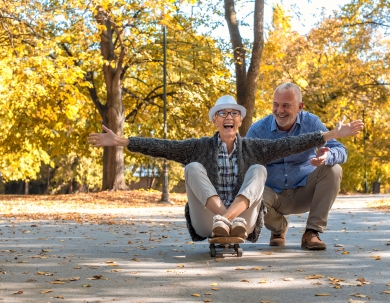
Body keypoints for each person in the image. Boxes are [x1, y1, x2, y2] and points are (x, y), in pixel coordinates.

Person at [88, 95, 363, 244]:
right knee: (193, 167)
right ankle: (223, 218)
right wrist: (121, 141)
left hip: (244, 221)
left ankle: (231, 220)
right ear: (214, 122)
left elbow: (294, 143)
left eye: (233, 113)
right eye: (222, 113)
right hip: (208, 220)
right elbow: (162, 146)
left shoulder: (255, 147)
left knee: (258, 170)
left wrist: (328, 134)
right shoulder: (199, 147)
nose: (228, 117)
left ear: (240, 121)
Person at [246, 82, 352, 250]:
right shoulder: (258, 130)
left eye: (286, 106)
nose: (279, 110)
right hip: (272, 194)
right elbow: (245, 166)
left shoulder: (311, 122)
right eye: (276, 104)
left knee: (334, 169)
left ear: (300, 107)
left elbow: (341, 150)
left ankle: (312, 232)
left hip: (305, 190)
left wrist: (327, 156)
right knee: (249, 194)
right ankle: (279, 228)